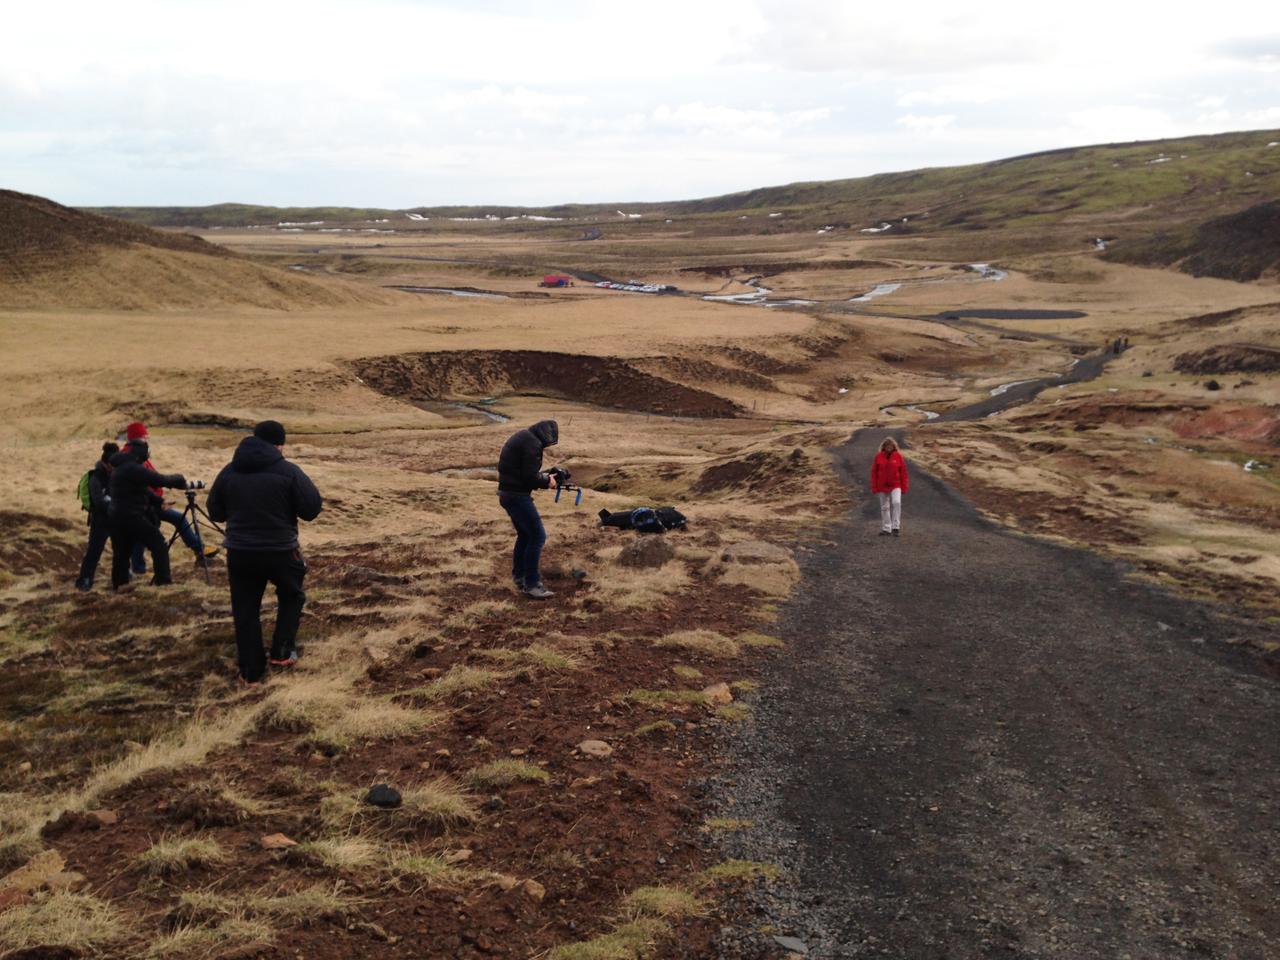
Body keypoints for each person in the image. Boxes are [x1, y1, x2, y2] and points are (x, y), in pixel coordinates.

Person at [207, 420, 322, 685]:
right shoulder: (289, 471)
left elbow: (215, 512)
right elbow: (311, 509)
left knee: (245, 607)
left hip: (240, 552)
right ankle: (282, 651)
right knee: (292, 595)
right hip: (281, 550)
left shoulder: (229, 471)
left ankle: (251, 670)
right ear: (279, 444)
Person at [121, 422, 217, 572]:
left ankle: (139, 568)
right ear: (137, 438)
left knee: (147, 533)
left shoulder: (134, 455)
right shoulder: (133, 458)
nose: (147, 439)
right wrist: (159, 499)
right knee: (146, 534)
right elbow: (147, 482)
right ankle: (140, 569)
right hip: (145, 505)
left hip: (149, 503)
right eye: (144, 436)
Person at [108, 440, 188, 589]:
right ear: (141, 454)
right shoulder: (134, 468)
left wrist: (159, 501)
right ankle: (163, 582)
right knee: (159, 545)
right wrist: (179, 479)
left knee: (121, 553)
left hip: (116, 517)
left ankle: (120, 586)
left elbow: (143, 490)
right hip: (132, 516)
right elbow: (159, 480)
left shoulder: (121, 468)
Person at [497, 419, 561, 599]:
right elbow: (529, 477)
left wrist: (544, 477)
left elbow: (524, 472)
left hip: (508, 493)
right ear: (545, 434)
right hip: (517, 496)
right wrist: (547, 481)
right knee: (537, 536)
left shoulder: (525, 437)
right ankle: (532, 585)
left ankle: (520, 577)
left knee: (525, 535)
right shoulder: (532, 444)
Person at [75, 442, 119, 591]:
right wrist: (116, 505)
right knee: (94, 550)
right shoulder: (96, 477)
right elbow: (99, 502)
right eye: (113, 465)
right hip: (100, 520)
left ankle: (121, 577)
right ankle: (85, 580)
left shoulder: (117, 474)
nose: (115, 468)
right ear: (106, 464)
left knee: (120, 549)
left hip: (116, 518)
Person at [871, 436, 909, 537]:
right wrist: (874, 487)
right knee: (884, 507)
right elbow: (874, 473)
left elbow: (903, 472)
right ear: (884, 446)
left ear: (894, 446)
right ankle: (886, 528)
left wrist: (904, 487)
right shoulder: (878, 457)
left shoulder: (898, 457)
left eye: (891, 445)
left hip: (896, 484)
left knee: (896, 502)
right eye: (887, 445)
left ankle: (896, 527)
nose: (889, 447)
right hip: (882, 486)